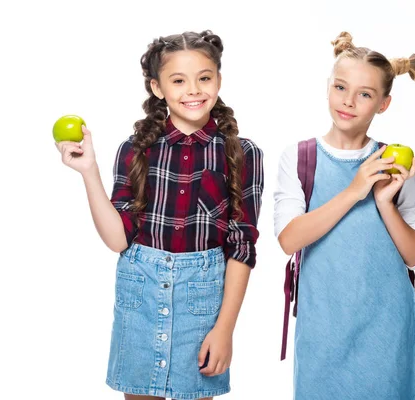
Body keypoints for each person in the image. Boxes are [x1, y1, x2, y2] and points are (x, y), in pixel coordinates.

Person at [55, 30, 264, 400]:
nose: (194, 90)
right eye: (178, 80)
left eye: (204, 78)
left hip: (202, 304)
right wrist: (89, 171)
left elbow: (242, 248)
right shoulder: (135, 150)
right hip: (141, 295)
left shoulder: (242, 153)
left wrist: (225, 328)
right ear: (157, 87)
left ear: (218, 80)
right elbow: (118, 239)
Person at [273, 31, 415, 399]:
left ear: (383, 104)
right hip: (323, 329)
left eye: (364, 94)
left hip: (388, 329)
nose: (348, 102)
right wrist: (354, 191)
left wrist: (383, 203)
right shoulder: (300, 158)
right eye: (340, 88)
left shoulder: (395, 163)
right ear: (327, 87)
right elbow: (289, 239)